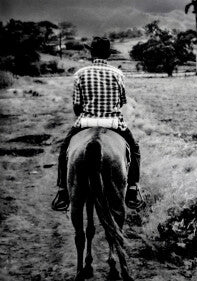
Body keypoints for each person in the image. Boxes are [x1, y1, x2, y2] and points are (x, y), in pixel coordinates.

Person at [51, 37, 144, 211]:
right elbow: (122, 102)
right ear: (108, 55)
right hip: (113, 122)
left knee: (64, 149)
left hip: (86, 121)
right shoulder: (118, 74)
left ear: (91, 53)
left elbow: (77, 107)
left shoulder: (80, 74)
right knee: (135, 148)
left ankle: (63, 190)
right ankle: (132, 189)